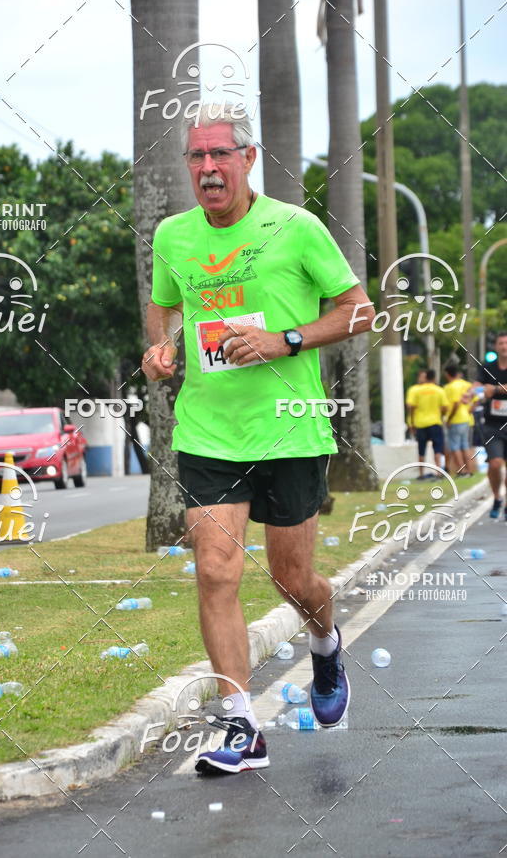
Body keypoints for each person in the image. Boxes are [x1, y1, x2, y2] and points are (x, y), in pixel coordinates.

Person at [142, 103, 374, 774]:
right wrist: (161, 346)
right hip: (209, 430)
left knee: (291, 577)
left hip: (290, 428)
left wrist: (284, 339)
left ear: (248, 158)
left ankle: (326, 647)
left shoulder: (295, 228)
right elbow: (165, 305)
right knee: (216, 571)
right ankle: (242, 725)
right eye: (197, 157)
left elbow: (359, 309)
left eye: (221, 155)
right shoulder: (174, 237)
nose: (208, 169)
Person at [472, 332, 507, 519]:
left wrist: (494, 389)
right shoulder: (488, 367)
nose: (504, 346)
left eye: (506, 343)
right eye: (501, 343)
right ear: (496, 346)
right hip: (493, 425)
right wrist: (471, 393)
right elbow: (477, 385)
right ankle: (497, 497)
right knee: (495, 464)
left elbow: (490, 389)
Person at [406, 369, 448, 477]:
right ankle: (438, 472)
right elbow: (445, 407)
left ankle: (421, 474)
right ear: (434, 378)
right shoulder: (439, 390)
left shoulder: (416, 391)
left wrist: (411, 422)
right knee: (437, 448)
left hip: (420, 423)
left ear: (426, 378)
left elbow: (411, 407)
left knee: (421, 449)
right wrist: (441, 413)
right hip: (435, 422)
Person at [443, 365, 475, 476]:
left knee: (455, 446)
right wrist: (470, 411)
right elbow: (476, 399)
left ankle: (462, 471)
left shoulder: (449, 387)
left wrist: (449, 419)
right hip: (466, 418)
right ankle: (470, 470)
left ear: (447, 374)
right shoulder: (467, 385)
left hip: (456, 419)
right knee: (465, 446)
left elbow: (455, 404)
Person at [405, 370, 426, 441]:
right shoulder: (413, 389)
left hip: (428, 423)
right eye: (422, 377)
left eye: (425, 377)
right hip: (415, 422)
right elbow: (409, 405)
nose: (424, 379)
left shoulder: (431, 389)